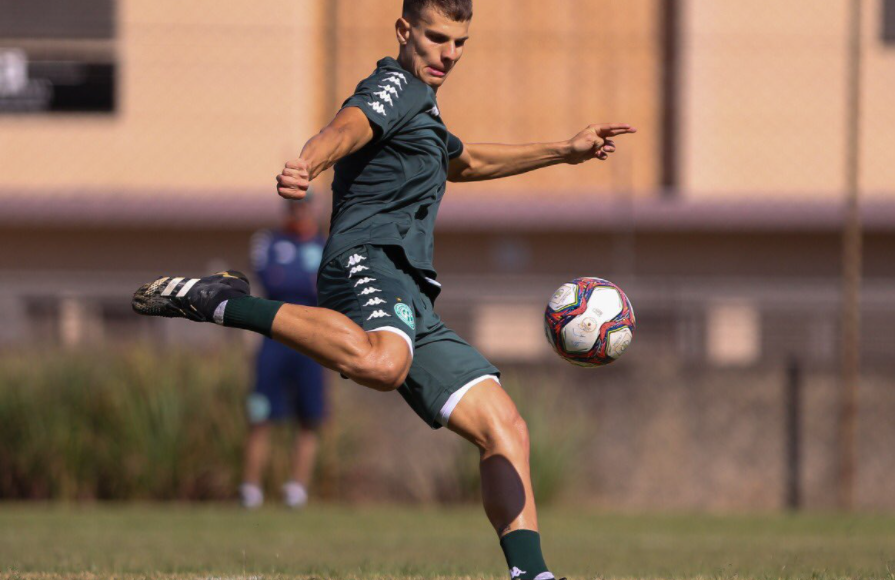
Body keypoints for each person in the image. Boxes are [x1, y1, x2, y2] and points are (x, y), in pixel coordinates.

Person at [132, 0, 635, 577]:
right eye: (437, 37)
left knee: (504, 426)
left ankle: (531, 574)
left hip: (413, 292)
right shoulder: (395, 85)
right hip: (364, 261)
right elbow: (349, 124)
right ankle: (223, 301)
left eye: (460, 42)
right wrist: (310, 162)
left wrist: (563, 151)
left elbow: (463, 160)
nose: (449, 53)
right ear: (404, 30)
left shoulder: (425, 108)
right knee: (384, 363)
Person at [240, 199, 328, 510]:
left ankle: (296, 490)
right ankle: (250, 489)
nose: (299, 211)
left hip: (312, 340)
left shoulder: (326, 245)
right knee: (261, 414)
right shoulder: (268, 241)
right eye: (293, 206)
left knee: (310, 418)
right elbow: (274, 281)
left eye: (304, 205)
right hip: (274, 338)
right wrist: (305, 283)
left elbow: (327, 287)